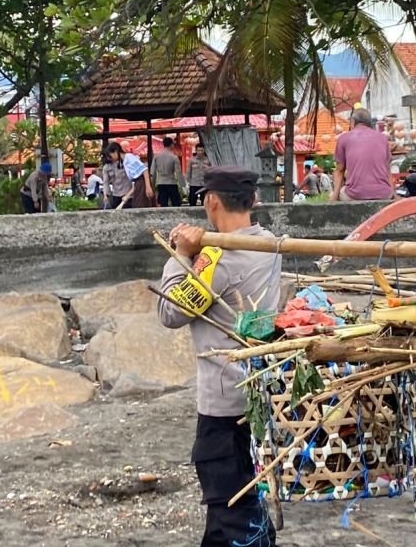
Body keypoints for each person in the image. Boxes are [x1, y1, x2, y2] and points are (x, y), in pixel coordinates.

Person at [158, 166, 280, 547]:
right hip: (259, 394)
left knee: (234, 512)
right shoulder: (269, 244)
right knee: (230, 506)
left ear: (211, 201)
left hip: (224, 406)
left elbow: (170, 313)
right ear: (253, 201)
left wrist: (180, 253)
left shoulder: (218, 261)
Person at [330, 108, 393, 201]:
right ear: (369, 123)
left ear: (352, 122)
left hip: (355, 195)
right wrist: (394, 195)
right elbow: (387, 170)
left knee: (336, 193)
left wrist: (333, 198)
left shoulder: (344, 138)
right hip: (384, 194)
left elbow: (339, 171)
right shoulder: (383, 138)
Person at [103, 141, 153, 209]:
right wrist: (127, 196)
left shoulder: (129, 157)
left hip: (142, 184)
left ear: (115, 151)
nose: (110, 158)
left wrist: (148, 187)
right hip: (138, 185)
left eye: (110, 156)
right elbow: (136, 182)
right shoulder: (124, 161)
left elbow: (144, 170)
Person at [151, 137, 186, 207]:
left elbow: (153, 172)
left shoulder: (156, 157)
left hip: (161, 183)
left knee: (163, 204)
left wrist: (152, 186)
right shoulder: (174, 157)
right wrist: (183, 186)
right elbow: (178, 173)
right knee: (176, 204)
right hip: (171, 182)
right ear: (172, 145)